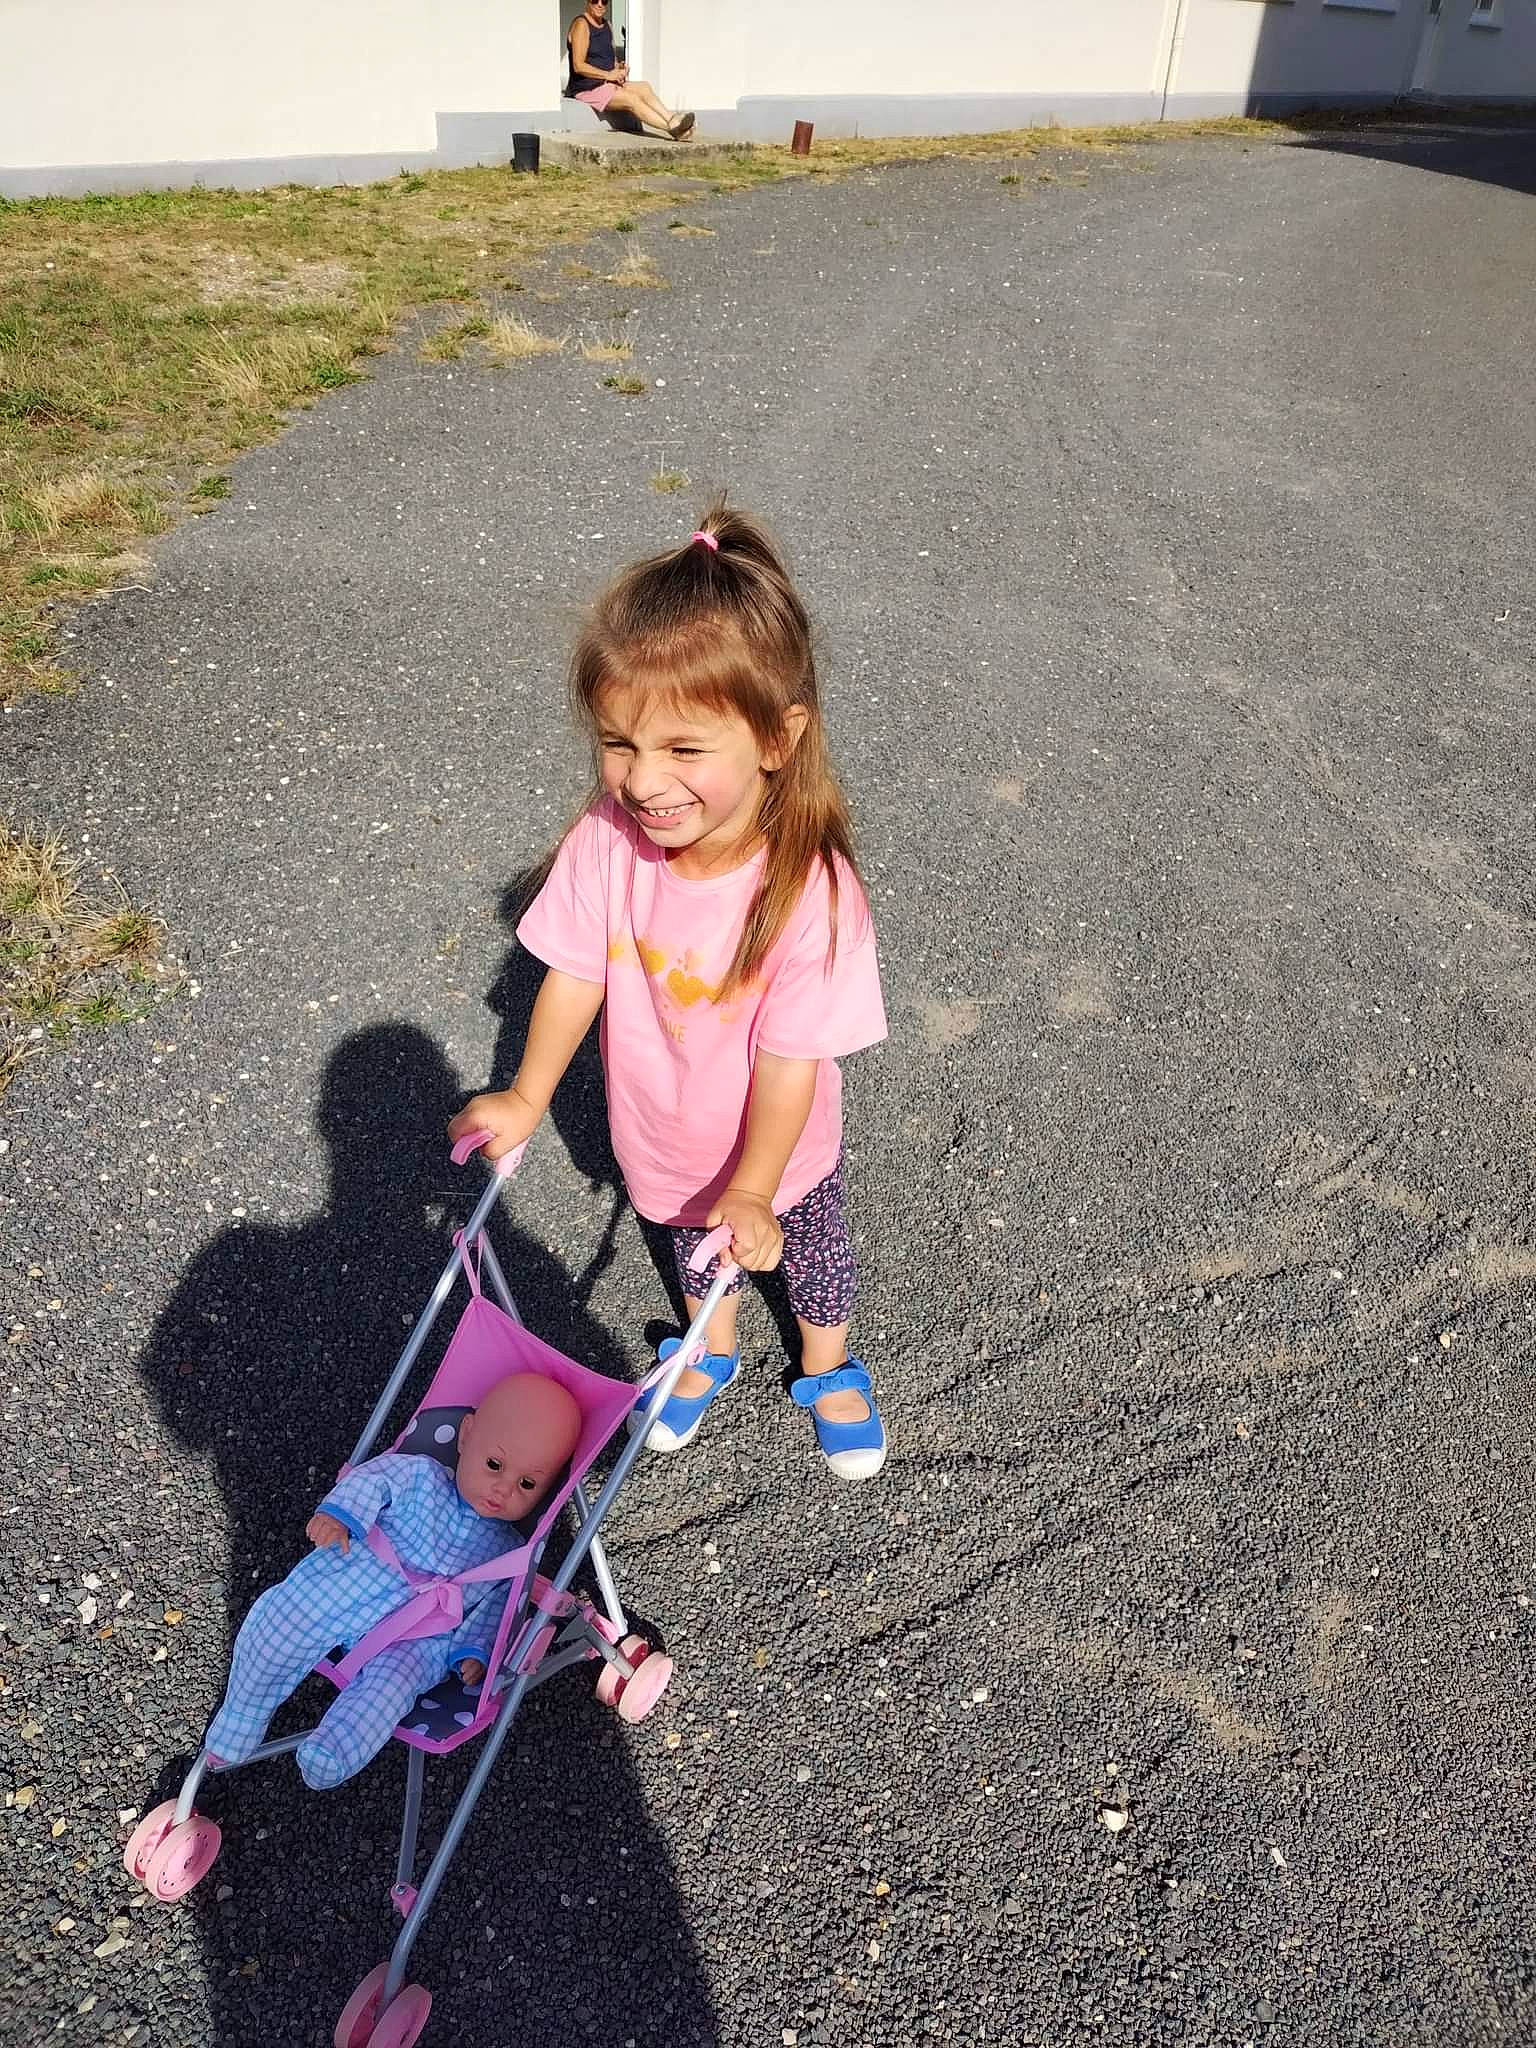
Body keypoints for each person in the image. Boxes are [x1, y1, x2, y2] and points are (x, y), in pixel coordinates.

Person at [449, 501, 889, 1481]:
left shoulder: (805, 888)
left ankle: (826, 1364)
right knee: (689, 1247)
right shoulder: (609, 840)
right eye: (619, 743)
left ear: (778, 736)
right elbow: (574, 970)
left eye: (684, 749)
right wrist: (526, 1092)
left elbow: (790, 1061)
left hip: (779, 1151)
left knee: (814, 1262)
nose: (644, 781)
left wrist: (756, 1184)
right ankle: (711, 1345)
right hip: (659, 1124)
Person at [202, 1372, 581, 1787]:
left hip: (425, 1633)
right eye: (494, 1464)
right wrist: (341, 1514)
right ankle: (242, 1714)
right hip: (358, 1579)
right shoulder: (420, 1476)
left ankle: (335, 1749)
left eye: (527, 1483)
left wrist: (475, 1649)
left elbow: (498, 1604)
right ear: (466, 1435)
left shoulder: (510, 1551)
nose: (503, 1488)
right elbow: (372, 1480)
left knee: (395, 1685)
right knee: (283, 1622)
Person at [566, 0, 695, 141]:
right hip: (587, 88)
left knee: (644, 87)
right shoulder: (581, 24)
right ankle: (673, 129)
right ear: (587, 1)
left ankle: (674, 120)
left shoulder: (607, 25)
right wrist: (608, 75)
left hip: (606, 82)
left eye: (604, 1)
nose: (600, 4)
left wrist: (619, 69)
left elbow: (610, 60)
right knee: (632, 99)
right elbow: (578, 66)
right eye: (595, 0)